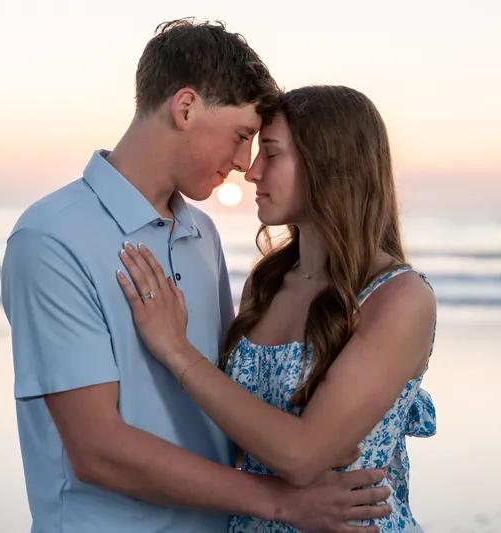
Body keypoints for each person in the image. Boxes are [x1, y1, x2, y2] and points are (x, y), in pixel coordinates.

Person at [2, 20, 393, 533]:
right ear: (185, 108)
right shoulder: (52, 237)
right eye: (242, 136)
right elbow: (97, 451)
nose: (245, 164)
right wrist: (282, 501)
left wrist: (322, 439)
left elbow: (227, 401)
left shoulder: (201, 234)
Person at [115, 85, 437, 532]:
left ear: (327, 165)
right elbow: (236, 439)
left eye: (271, 153)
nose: (251, 172)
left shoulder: (399, 298)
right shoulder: (265, 284)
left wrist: (176, 349)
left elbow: (302, 456)